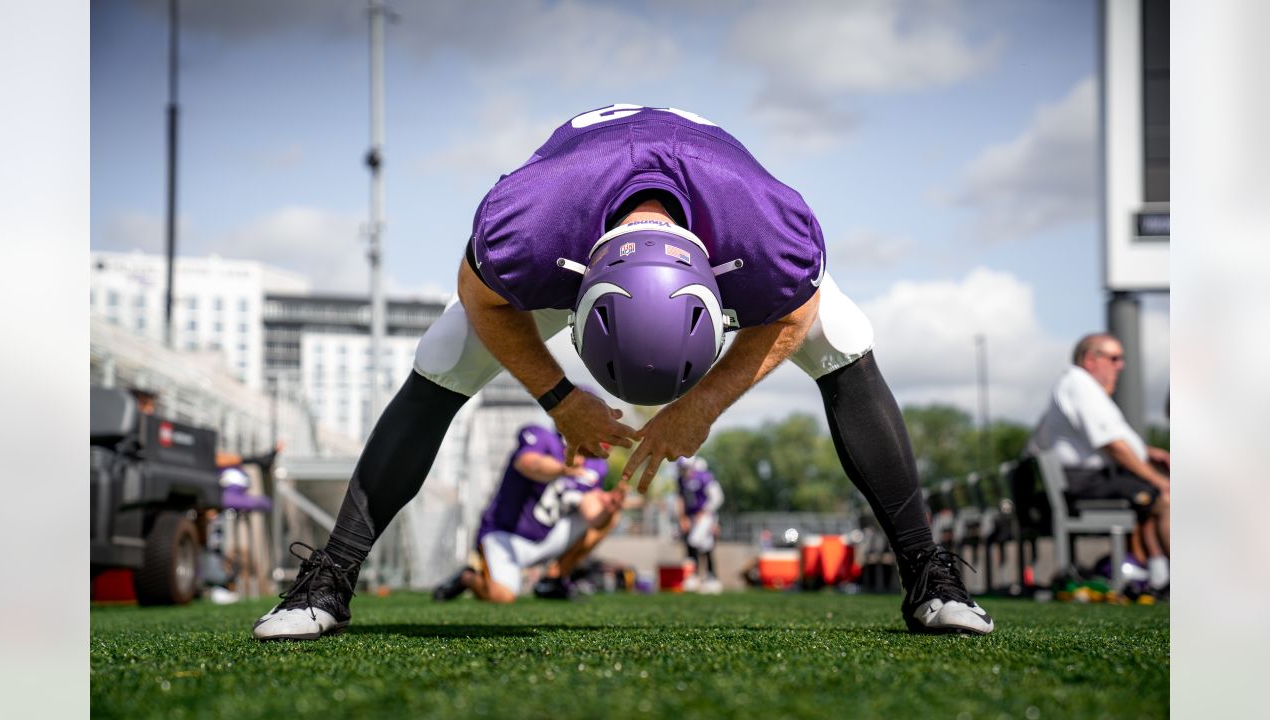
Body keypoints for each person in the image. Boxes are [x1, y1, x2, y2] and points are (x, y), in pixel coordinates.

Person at [252, 103, 993, 640]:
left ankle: (929, 574)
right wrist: (558, 396)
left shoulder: (767, 232)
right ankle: (329, 579)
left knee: (847, 339)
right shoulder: (532, 226)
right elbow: (478, 293)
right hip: (576, 222)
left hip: (718, 216)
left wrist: (702, 405)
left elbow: (793, 315)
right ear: (577, 294)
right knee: (440, 361)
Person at [1026, 333, 1171, 592]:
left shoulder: (1080, 386)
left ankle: (1158, 574)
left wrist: (1146, 453)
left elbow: (1102, 441)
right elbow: (1113, 445)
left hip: (1085, 478)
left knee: (1153, 496)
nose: (1120, 365)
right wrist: (1158, 479)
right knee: (1165, 496)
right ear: (1091, 360)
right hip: (1084, 481)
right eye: (1114, 358)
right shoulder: (1080, 385)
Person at [429, 423, 626, 603]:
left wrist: (609, 509)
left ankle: (554, 579)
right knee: (502, 597)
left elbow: (593, 517)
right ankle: (468, 577)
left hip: (546, 538)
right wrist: (562, 468)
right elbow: (527, 464)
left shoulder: (597, 466)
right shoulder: (541, 437)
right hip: (505, 537)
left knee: (612, 518)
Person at [675, 457, 724, 594]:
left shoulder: (704, 477)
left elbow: (718, 497)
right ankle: (709, 577)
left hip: (706, 516)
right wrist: (683, 517)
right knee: (705, 545)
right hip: (692, 517)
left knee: (694, 541)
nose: (683, 471)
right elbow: (681, 499)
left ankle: (699, 576)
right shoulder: (681, 480)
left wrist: (706, 512)